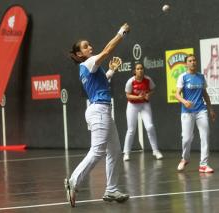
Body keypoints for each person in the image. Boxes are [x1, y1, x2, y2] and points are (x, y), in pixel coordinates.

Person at [64, 23, 130, 207]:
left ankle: (111, 189)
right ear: (79, 54)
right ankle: (73, 182)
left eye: (89, 44)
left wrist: (111, 71)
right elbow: (107, 50)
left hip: (101, 110)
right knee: (98, 151)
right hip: (99, 110)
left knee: (115, 151)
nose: (90, 47)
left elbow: (100, 83)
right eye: (85, 47)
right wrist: (120, 33)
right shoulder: (89, 62)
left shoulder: (88, 67)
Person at [175, 54, 216, 173]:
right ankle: (185, 159)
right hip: (187, 112)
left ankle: (203, 164)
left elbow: (205, 94)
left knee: (205, 136)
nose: (193, 62)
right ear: (186, 64)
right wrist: (184, 101)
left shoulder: (201, 77)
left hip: (201, 110)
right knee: (186, 139)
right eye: (190, 61)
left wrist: (211, 109)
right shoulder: (182, 77)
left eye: (194, 60)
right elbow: (177, 94)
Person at [123, 63, 163, 161]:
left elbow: (153, 89)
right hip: (132, 105)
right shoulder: (130, 81)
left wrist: (149, 94)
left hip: (144, 104)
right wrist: (137, 97)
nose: (140, 70)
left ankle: (156, 151)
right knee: (131, 130)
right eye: (138, 69)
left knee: (150, 127)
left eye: (141, 68)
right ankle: (126, 153)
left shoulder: (148, 80)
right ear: (134, 71)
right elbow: (127, 95)